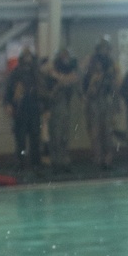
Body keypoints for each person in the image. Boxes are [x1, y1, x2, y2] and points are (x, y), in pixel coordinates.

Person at [4, 45, 43, 174]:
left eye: (29, 56)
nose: (27, 59)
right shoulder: (15, 73)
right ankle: (20, 164)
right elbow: (8, 91)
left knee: (35, 140)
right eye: (25, 56)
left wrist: (45, 107)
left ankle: (36, 165)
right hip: (20, 111)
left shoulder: (36, 73)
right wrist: (8, 104)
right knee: (20, 141)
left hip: (34, 110)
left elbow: (43, 92)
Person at [83, 37, 119, 171]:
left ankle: (107, 159)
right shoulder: (92, 64)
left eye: (107, 48)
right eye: (103, 48)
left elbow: (114, 86)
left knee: (108, 132)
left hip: (106, 100)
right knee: (95, 133)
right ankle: (98, 160)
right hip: (94, 101)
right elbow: (85, 86)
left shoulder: (110, 65)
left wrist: (116, 104)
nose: (105, 51)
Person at [44, 45, 78, 174]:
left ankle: (64, 161)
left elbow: (73, 79)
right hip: (55, 108)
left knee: (64, 136)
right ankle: (56, 162)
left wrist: (60, 78)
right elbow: (49, 93)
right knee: (56, 136)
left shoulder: (65, 72)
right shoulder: (50, 74)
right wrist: (60, 79)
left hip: (65, 108)